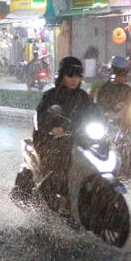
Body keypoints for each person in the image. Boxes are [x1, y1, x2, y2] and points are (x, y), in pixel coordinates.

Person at [33, 56, 99, 213]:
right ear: (62, 75)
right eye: (70, 75)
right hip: (52, 141)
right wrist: (52, 128)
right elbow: (41, 116)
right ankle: (62, 201)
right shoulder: (51, 95)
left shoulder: (82, 97)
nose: (74, 80)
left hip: (78, 140)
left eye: (77, 76)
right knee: (64, 165)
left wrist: (104, 122)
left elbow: (94, 113)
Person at [92, 55, 131, 125]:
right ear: (113, 72)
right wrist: (107, 113)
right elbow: (99, 107)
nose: (122, 77)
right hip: (107, 125)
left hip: (126, 124)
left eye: (124, 74)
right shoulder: (103, 89)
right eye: (120, 74)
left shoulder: (127, 90)